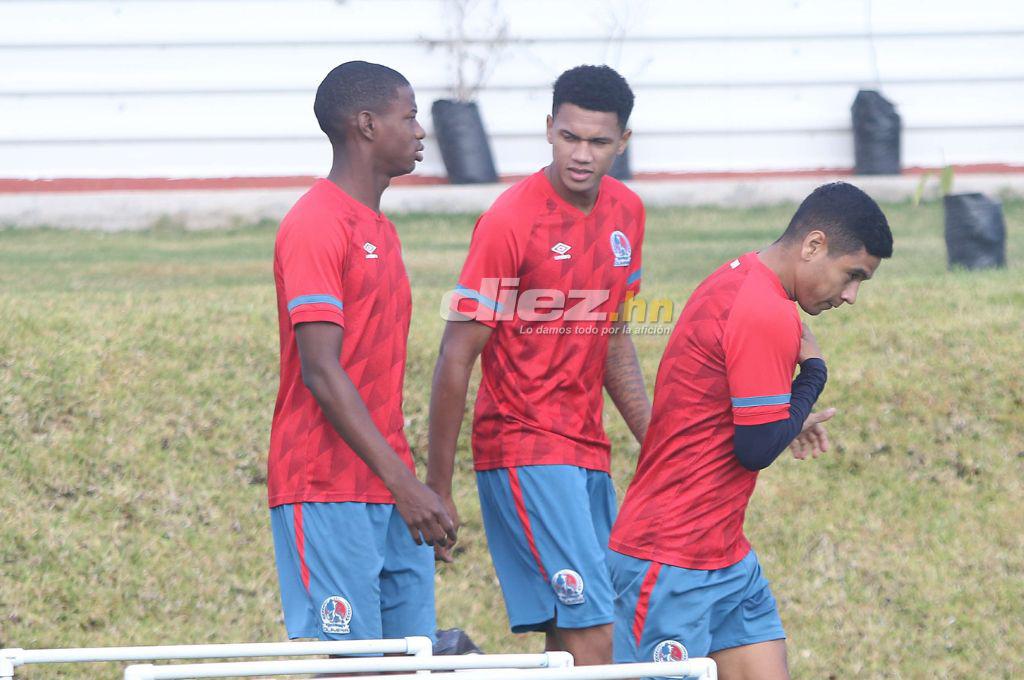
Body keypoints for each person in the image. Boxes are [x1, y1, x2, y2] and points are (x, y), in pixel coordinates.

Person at [608, 182, 893, 678]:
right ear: (813, 246)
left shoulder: (743, 279)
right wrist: (815, 373)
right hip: (669, 558)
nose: (850, 296)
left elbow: (737, 420)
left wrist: (787, 420)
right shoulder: (764, 308)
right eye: (853, 276)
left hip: (725, 554)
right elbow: (756, 447)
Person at [427, 65, 650, 665]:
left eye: (599, 142)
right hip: (525, 449)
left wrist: (659, 442)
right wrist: (439, 488)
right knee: (598, 637)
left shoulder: (628, 212)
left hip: (588, 453)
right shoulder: (510, 221)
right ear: (549, 129)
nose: (582, 154)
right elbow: (456, 354)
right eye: (570, 137)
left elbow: (614, 338)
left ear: (622, 142)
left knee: (574, 641)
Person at [267, 61, 455, 645]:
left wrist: (410, 487)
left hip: (389, 489)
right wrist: (408, 485)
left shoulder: (380, 229)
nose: (421, 131)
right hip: (325, 489)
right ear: (367, 125)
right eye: (411, 116)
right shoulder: (315, 224)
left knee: (414, 661)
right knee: (352, 667)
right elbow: (321, 372)